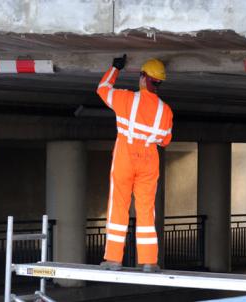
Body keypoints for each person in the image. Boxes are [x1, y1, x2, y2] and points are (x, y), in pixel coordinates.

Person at [96, 55, 173, 272]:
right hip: (150, 158)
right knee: (147, 210)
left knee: (119, 205)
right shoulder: (165, 110)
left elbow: (102, 89)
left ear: (143, 78)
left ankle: (113, 259)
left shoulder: (126, 99)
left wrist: (115, 68)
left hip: (125, 155)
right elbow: (165, 140)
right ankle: (149, 261)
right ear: (158, 83)